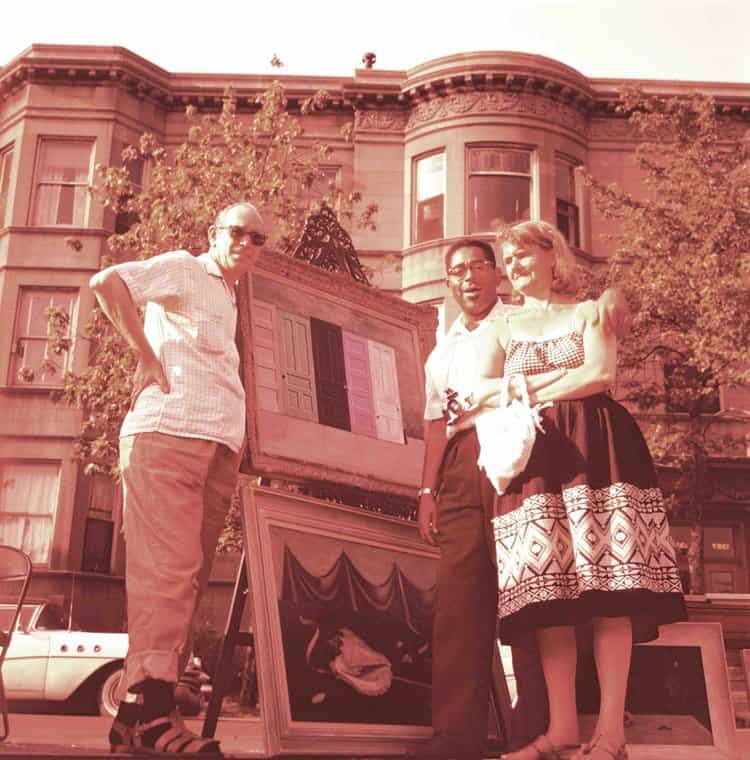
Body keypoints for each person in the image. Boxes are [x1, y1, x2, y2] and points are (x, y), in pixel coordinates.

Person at [473, 221, 687, 760]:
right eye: (509, 260)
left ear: (552, 256)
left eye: (525, 256)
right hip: (536, 460)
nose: (516, 267)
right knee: (550, 595)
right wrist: (525, 390)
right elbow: (477, 390)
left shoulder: (589, 309)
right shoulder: (501, 328)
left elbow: (599, 372)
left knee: (611, 589)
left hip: (599, 450)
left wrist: (526, 387)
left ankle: (611, 732)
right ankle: (562, 728)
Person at [411, 237, 631, 760]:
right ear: (448, 282)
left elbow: (593, 323)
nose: (470, 278)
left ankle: (537, 729)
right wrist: (426, 490)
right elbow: (434, 425)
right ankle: (454, 741)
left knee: (533, 585)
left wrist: (613, 297)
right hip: (466, 461)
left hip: (527, 447)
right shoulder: (441, 350)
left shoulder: (519, 320)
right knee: (460, 604)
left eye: (482, 267)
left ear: (498, 277)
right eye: (458, 271)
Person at [89, 202, 267, 757]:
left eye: (258, 237)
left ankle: (149, 720)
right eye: (237, 231)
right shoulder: (188, 269)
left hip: (218, 449)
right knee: (167, 575)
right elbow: (108, 281)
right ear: (214, 233)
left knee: (186, 580)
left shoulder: (243, 300)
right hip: (168, 433)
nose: (246, 243)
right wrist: (144, 355)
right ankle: (142, 718)